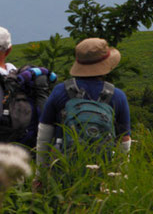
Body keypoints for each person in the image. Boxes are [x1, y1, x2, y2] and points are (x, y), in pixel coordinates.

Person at [35, 38, 132, 172]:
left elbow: (44, 136)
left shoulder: (60, 91)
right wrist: (121, 174)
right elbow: (124, 140)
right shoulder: (117, 96)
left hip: (63, 170)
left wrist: (40, 174)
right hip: (103, 170)